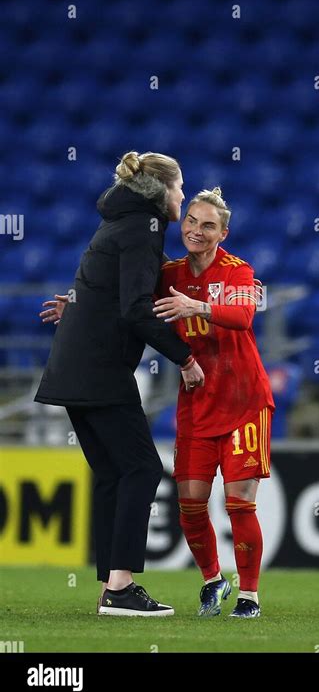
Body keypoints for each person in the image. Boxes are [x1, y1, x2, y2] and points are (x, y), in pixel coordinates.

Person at [35, 151, 205, 617]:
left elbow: (102, 288)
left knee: (114, 473)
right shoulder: (143, 228)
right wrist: (184, 357)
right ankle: (121, 588)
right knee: (143, 469)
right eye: (180, 187)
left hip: (74, 367)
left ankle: (112, 586)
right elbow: (134, 308)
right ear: (161, 190)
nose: (183, 197)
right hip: (99, 369)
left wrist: (81, 310)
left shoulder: (120, 220)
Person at [152, 187, 275, 618]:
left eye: (207, 225)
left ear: (223, 232)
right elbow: (127, 307)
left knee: (239, 502)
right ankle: (212, 581)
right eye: (190, 221)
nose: (196, 231)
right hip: (197, 402)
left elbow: (242, 318)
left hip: (244, 401)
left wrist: (196, 306)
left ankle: (249, 596)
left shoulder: (239, 272)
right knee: (189, 504)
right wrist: (75, 308)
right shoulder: (169, 273)